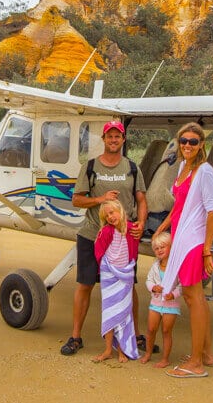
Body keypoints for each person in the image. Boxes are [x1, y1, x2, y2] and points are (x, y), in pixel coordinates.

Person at [60, 120, 148, 356]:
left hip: (123, 237)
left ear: (123, 139)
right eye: (109, 137)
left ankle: (136, 335)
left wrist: (140, 223)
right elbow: (77, 200)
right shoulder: (90, 167)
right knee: (85, 285)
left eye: (117, 136)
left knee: (129, 286)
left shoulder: (132, 167)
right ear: (104, 139)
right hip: (92, 234)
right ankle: (76, 337)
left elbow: (141, 200)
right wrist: (100, 200)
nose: (113, 140)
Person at [155, 122, 213, 378]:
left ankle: (196, 363)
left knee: (194, 299)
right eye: (184, 141)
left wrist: (206, 249)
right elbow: (179, 206)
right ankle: (206, 354)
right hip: (182, 238)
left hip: (193, 242)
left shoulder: (204, 171)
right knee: (196, 300)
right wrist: (163, 226)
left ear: (202, 144)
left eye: (193, 141)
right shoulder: (183, 167)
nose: (188, 145)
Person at [92, 199, 139, 362]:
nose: (110, 217)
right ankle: (107, 350)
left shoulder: (132, 229)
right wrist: (107, 269)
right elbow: (99, 251)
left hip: (125, 276)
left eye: (112, 212)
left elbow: (134, 250)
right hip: (110, 277)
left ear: (120, 210)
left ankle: (121, 350)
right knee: (110, 312)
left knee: (124, 313)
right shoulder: (106, 232)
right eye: (107, 215)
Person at [140, 232, 180, 368]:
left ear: (171, 247)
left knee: (166, 331)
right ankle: (148, 353)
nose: (160, 250)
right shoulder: (155, 266)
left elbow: (182, 285)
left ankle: (165, 358)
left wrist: (173, 294)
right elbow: (148, 280)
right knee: (151, 329)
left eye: (163, 247)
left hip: (171, 305)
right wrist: (153, 288)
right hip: (155, 303)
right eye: (156, 249)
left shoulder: (176, 267)